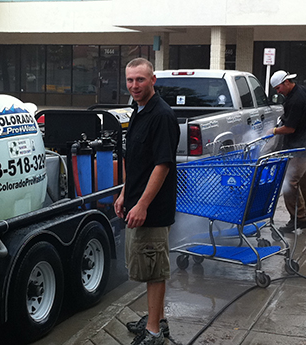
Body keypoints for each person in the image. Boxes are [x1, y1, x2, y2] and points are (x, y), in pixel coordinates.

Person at [115, 57, 179, 345]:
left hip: (152, 209)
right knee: (147, 267)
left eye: (140, 79)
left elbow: (162, 165)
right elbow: (136, 160)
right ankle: (156, 320)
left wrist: (141, 204)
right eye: (130, 80)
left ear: (153, 80)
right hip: (136, 201)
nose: (134, 85)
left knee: (154, 270)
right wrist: (124, 194)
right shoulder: (138, 111)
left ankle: (153, 332)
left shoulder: (161, 116)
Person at [268, 70, 306, 233]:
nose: (278, 92)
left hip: (302, 149)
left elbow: (290, 128)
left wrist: (273, 131)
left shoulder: (295, 100)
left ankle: (298, 219)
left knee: (289, 182)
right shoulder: (303, 91)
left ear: (286, 82)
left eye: (278, 88)